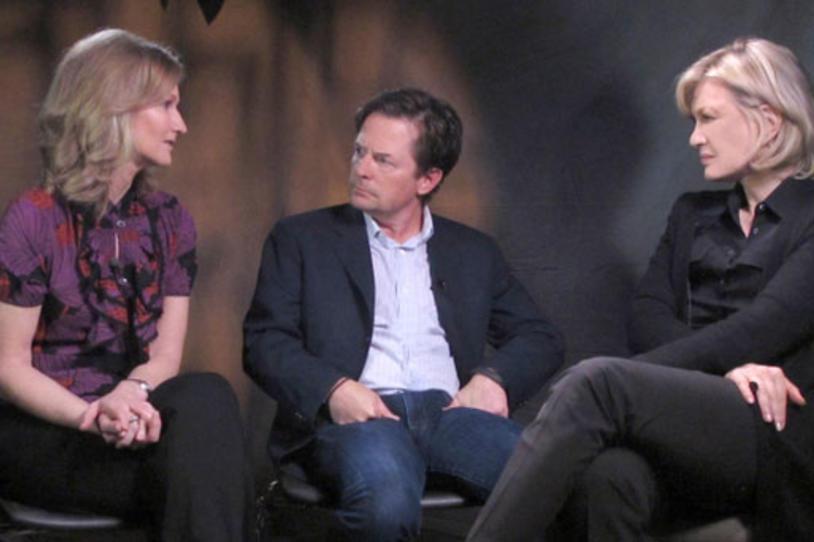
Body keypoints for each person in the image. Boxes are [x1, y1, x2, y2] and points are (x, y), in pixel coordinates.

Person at [467, 37, 814, 542]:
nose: (695, 137)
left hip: (777, 430)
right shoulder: (692, 214)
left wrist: (715, 365)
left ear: (769, 121)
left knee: (595, 382)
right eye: (693, 121)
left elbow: (765, 326)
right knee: (609, 478)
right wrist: (728, 369)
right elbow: (646, 316)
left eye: (708, 118)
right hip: (697, 423)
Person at [243, 87, 563, 540]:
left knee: (556, 477)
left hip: (450, 415)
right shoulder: (301, 239)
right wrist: (333, 388)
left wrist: (495, 379)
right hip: (360, 418)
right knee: (386, 502)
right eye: (359, 152)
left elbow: (539, 337)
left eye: (383, 160)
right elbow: (264, 341)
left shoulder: (472, 251)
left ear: (427, 179)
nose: (361, 169)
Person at [0, 29, 252, 540]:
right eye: (166, 105)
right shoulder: (33, 217)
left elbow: (164, 358)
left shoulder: (171, 219)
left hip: (137, 424)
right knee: (209, 474)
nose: (181, 124)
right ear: (112, 107)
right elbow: (9, 366)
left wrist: (129, 396)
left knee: (207, 397)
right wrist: (95, 414)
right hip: (53, 430)